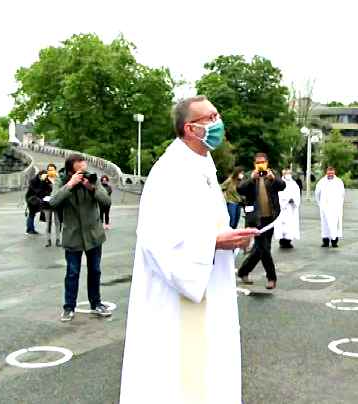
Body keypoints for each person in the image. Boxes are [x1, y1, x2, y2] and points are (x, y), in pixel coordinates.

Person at [119, 96, 258, 404]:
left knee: (210, 370)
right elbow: (156, 240)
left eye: (216, 114)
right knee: (185, 377)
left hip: (211, 282)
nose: (218, 122)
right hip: (183, 294)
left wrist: (232, 238)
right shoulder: (170, 170)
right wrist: (215, 242)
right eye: (210, 118)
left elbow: (207, 223)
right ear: (190, 129)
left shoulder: (202, 162)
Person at [49, 153, 113, 322]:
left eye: (84, 168)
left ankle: (96, 303)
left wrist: (91, 188)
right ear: (71, 170)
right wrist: (70, 185)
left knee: (95, 271)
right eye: (79, 170)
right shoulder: (61, 181)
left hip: (94, 234)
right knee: (72, 273)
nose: (84, 172)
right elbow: (53, 202)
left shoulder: (92, 179)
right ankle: (69, 307)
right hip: (73, 235)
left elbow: (106, 202)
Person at [236, 152, 286, 289]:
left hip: (270, 218)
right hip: (256, 219)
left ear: (267, 162)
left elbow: (282, 186)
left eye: (262, 162)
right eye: (258, 162)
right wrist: (251, 179)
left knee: (261, 249)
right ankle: (272, 278)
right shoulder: (250, 175)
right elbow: (240, 189)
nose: (260, 165)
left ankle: (243, 271)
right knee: (263, 248)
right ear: (254, 164)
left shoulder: (272, 173)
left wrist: (273, 179)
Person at [315, 167, 345, 247]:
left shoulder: (339, 182)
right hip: (325, 207)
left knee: (335, 224)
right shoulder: (321, 182)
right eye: (329, 172)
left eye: (332, 172)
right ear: (326, 172)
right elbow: (317, 194)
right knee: (325, 225)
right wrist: (320, 204)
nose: (330, 174)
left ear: (334, 172)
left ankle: (334, 241)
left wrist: (339, 204)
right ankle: (325, 241)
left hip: (335, 207)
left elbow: (342, 194)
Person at [275, 168, 301, 248]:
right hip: (282, 208)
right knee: (282, 225)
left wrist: (293, 200)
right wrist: (286, 200)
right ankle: (282, 241)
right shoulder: (279, 183)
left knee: (290, 224)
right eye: (286, 173)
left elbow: (297, 194)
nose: (288, 175)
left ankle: (288, 241)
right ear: (283, 174)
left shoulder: (294, 184)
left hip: (291, 208)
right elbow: (278, 194)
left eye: (289, 173)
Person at [24, 170, 52, 235]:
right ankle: (30, 229)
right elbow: (35, 190)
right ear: (39, 175)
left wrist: (48, 186)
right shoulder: (33, 181)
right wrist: (44, 191)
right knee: (32, 213)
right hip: (32, 199)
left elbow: (49, 189)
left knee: (41, 212)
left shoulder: (45, 181)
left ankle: (32, 229)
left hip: (40, 199)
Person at [44, 164, 62, 247]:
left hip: (57, 203)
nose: (50, 171)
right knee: (48, 223)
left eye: (52, 169)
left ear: (55, 170)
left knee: (57, 222)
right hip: (46, 204)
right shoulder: (44, 179)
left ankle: (58, 239)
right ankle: (48, 240)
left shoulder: (59, 180)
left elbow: (62, 190)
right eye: (49, 169)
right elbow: (40, 191)